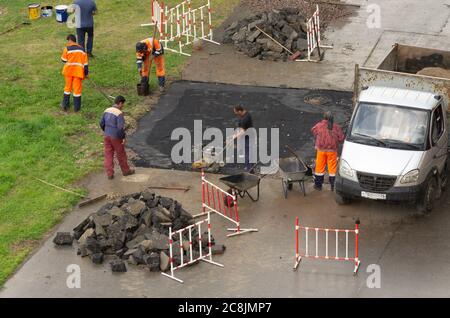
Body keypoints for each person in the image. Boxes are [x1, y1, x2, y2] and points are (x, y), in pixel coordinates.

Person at [100, 96, 135, 180]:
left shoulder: (106, 110)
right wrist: (122, 138)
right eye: (123, 104)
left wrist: (106, 131)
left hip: (107, 135)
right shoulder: (119, 113)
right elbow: (120, 128)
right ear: (120, 103)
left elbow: (101, 123)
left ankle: (109, 174)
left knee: (108, 154)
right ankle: (126, 171)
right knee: (121, 154)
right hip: (115, 137)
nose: (123, 106)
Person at [311, 111, 345, 191]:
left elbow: (313, 131)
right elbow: (341, 138)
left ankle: (318, 186)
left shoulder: (319, 126)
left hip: (321, 150)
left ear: (324, 117)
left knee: (319, 168)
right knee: (332, 169)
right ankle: (333, 186)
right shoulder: (336, 127)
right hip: (332, 151)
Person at [60, 34, 89, 112]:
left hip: (68, 72)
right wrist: (86, 73)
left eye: (67, 41)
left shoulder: (67, 49)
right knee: (77, 90)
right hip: (78, 72)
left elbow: (63, 60)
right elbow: (85, 63)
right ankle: (77, 108)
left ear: (70, 40)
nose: (67, 43)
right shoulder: (82, 49)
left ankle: (65, 105)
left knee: (67, 88)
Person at [233, 105, 254, 171]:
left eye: (236, 112)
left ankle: (249, 169)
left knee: (248, 153)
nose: (235, 114)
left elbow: (242, 131)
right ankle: (250, 168)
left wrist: (235, 136)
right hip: (247, 137)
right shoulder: (246, 114)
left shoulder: (245, 119)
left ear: (239, 111)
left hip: (248, 138)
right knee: (248, 153)